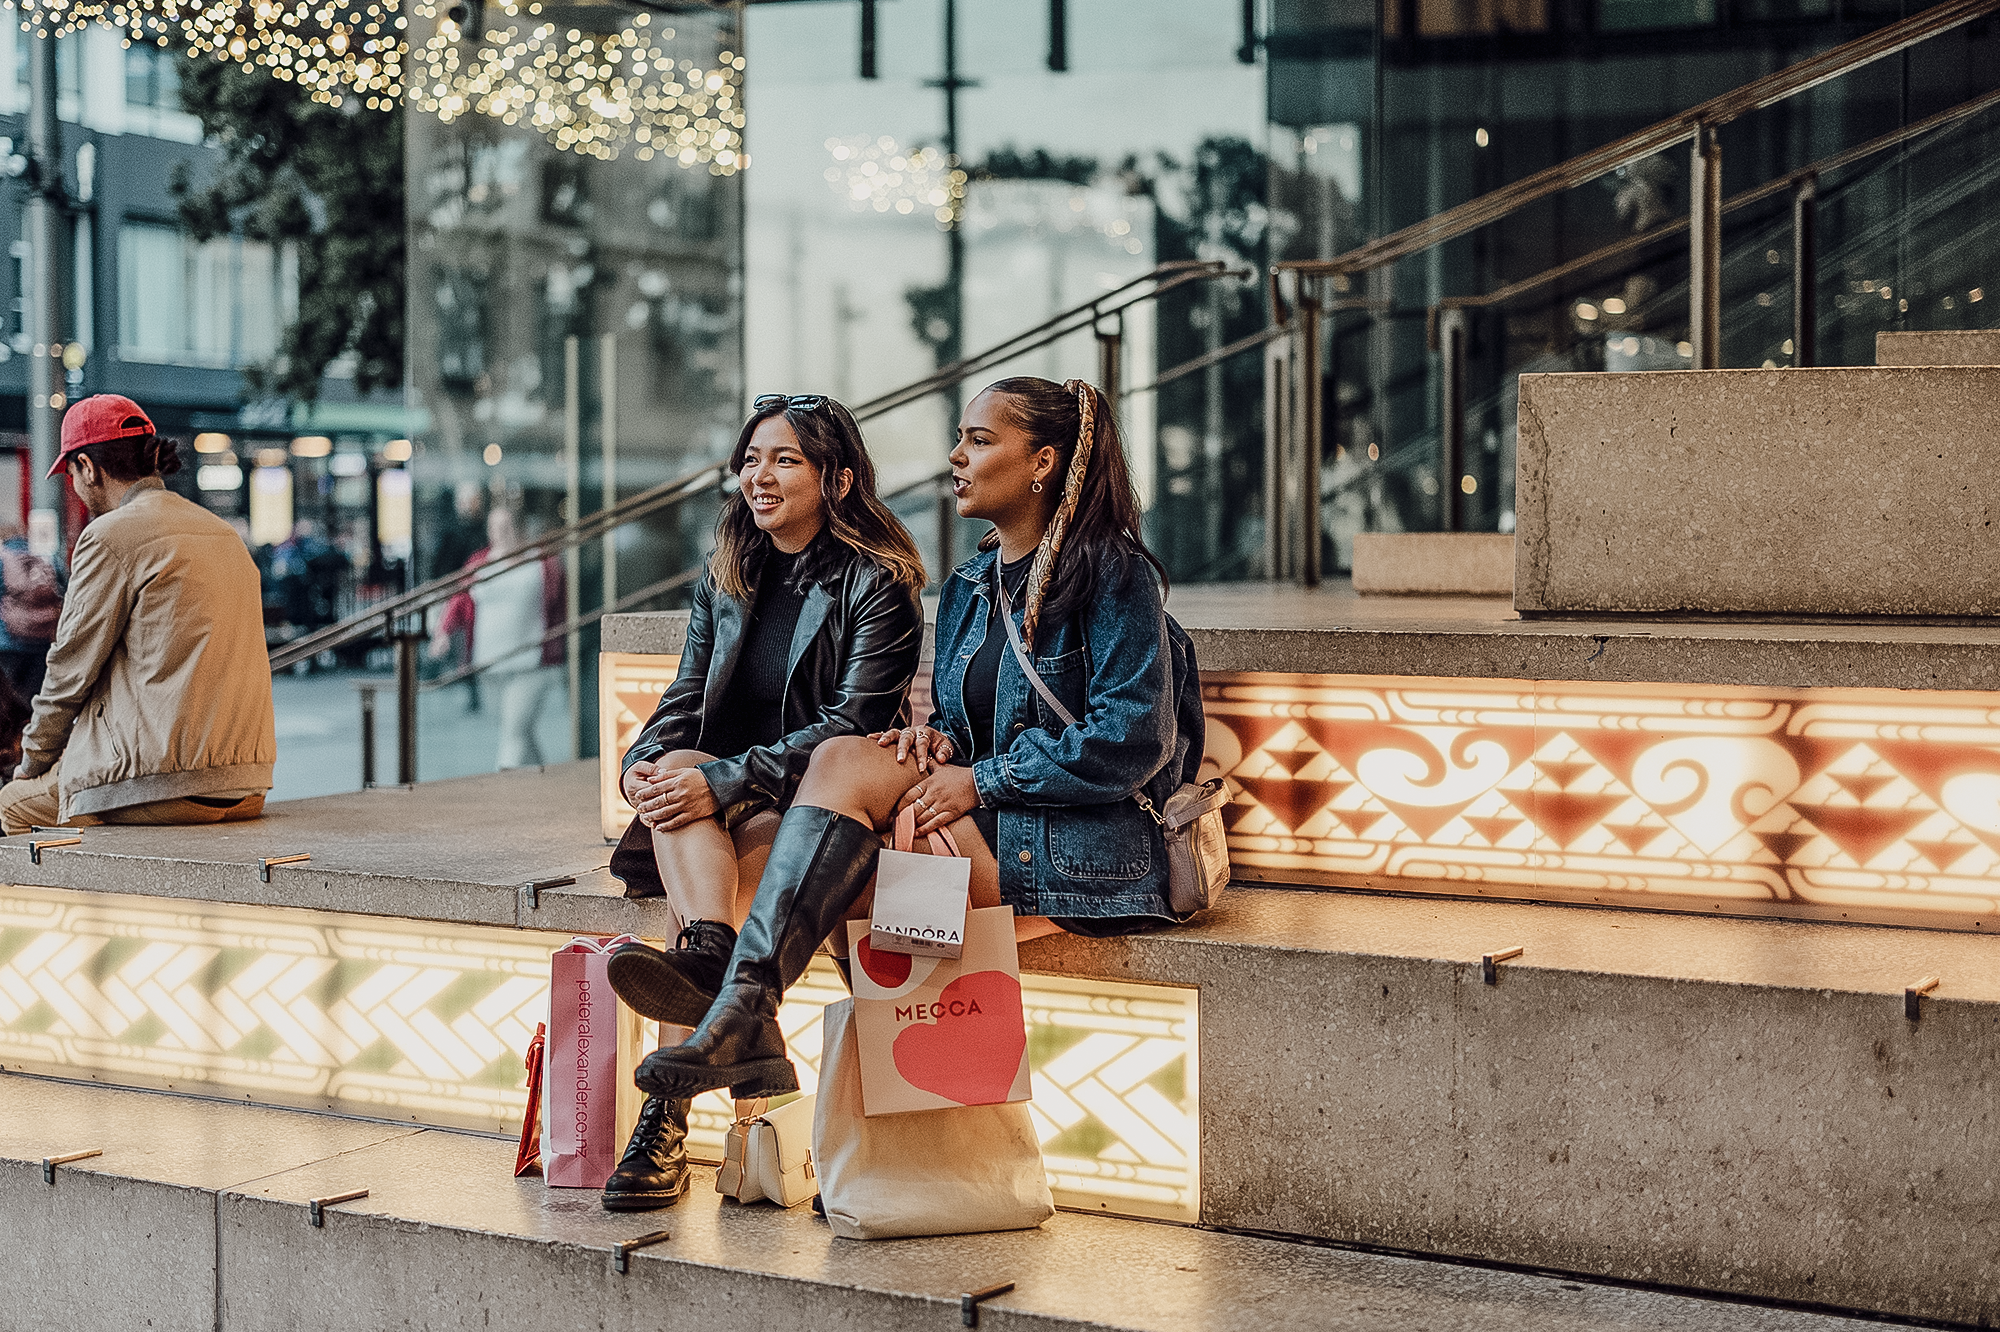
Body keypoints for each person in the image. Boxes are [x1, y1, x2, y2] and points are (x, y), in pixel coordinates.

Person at [629, 375, 1204, 1105]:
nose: (956, 456)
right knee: (835, 779)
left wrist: (978, 780)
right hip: (997, 816)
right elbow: (968, 731)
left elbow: (1130, 741)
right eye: (961, 438)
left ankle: (743, 1020)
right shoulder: (971, 583)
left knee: (807, 864)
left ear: (1044, 462)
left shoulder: (1111, 573)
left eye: (980, 439)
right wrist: (934, 743)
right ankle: (745, 1008)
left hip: (1089, 846)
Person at [598, 392, 926, 1212]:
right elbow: (682, 696)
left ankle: (664, 1116)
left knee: (724, 868)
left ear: (838, 477)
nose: (759, 476)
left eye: (784, 460)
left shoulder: (879, 582)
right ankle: (713, 962)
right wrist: (642, 763)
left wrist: (722, 779)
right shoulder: (728, 570)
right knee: (676, 768)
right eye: (749, 459)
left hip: (814, 804)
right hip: (719, 799)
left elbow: (851, 724)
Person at [0, 395, 275, 833]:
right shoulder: (223, 534)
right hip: (245, 783)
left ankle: (83, 902)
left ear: (88, 467)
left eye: (71, 472)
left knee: (12, 804)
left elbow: (69, 670)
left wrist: (31, 762)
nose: (74, 485)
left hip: (158, 784)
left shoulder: (109, 536)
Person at [430, 507, 565, 769]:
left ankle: (502, 785)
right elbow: (461, 598)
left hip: (531, 664)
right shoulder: (480, 561)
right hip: (490, 663)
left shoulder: (542, 562)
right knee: (517, 731)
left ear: (520, 528)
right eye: (495, 527)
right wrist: (443, 632)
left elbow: (560, 602)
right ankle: (542, 776)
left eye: (507, 526)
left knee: (513, 733)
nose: (501, 533)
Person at [0, 520, 63, 701]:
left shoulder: (3, 558)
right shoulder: (43, 557)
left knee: (8, 703)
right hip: (42, 642)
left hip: (7, 644)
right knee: (35, 699)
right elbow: (64, 588)